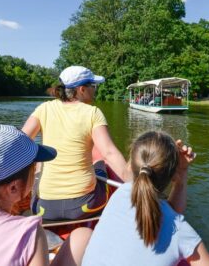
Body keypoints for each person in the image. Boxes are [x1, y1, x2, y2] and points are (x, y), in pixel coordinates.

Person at [82, 131, 209, 266]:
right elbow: (172, 215)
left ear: (130, 166)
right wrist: (182, 173)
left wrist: (179, 171)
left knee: (80, 235)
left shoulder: (119, 194)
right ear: (172, 177)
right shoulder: (180, 231)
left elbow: (170, 212)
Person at [22, 65, 130, 220]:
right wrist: (136, 186)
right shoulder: (93, 113)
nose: (95, 89)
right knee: (99, 156)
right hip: (84, 206)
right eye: (93, 86)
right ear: (81, 89)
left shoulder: (43, 109)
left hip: (43, 209)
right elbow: (109, 153)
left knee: (40, 162)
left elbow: (20, 143)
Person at [0, 124, 92, 266]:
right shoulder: (28, 233)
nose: (35, 172)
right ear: (14, 188)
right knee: (83, 237)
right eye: (34, 168)